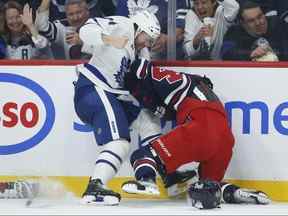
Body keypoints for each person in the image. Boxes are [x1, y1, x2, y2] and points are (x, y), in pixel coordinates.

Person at [120, 58, 271, 207]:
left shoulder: (159, 76)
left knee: (141, 155)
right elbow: (166, 107)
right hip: (225, 139)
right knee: (206, 189)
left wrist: (140, 90)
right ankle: (235, 193)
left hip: (202, 129)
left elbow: (152, 85)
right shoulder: (200, 88)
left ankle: (147, 181)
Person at [73, 10, 161, 205]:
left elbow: (140, 83)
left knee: (148, 119)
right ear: (139, 28)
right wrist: (109, 39)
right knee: (119, 142)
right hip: (94, 89)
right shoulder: (124, 25)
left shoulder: (142, 53)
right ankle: (95, 186)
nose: (149, 43)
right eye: (148, 37)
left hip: (111, 94)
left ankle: (153, 176)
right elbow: (85, 30)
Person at [116, 0, 192, 60]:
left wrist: (166, 39)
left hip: (165, 61)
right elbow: (118, 27)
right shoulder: (122, 2)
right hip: (128, 57)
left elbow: (180, 30)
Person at [222, 1, 288, 61]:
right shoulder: (234, 32)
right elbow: (225, 53)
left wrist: (276, 54)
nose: (258, 23)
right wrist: (250, 53)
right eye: (251, 21)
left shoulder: (278, 24)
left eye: (260, 16)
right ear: (242, 24)